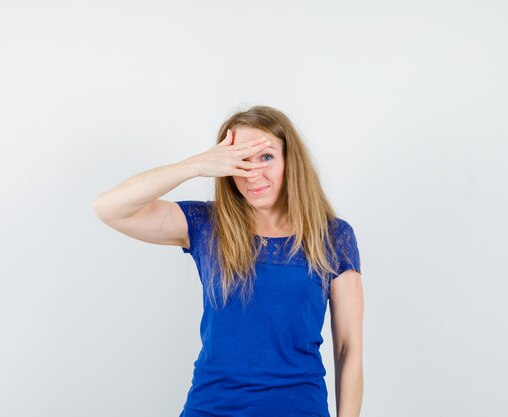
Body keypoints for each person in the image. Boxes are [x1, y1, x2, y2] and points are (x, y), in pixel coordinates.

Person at [92, 105, 364, 417]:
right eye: (241, 161)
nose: (254, 174)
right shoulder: (208, 224)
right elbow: (108, 207)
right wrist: (195, 165)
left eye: (266, 157)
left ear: (291, 160)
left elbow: (348, 349)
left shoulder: (332, 235)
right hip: (211, 407)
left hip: (299, 408)